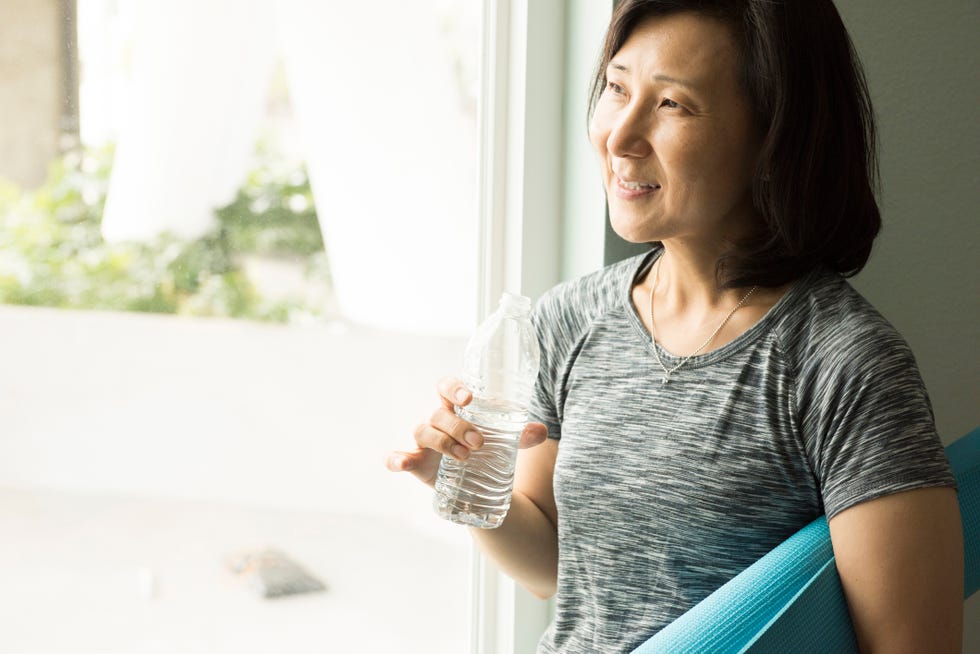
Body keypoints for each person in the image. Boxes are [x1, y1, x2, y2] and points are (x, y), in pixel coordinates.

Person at [386, 1, 965, 651]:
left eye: (672, 106)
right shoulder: (568, 320)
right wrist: (465, 484)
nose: (619, 136)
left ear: (774, 137)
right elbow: (556, 567)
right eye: (617, 87)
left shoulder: (843, 363)